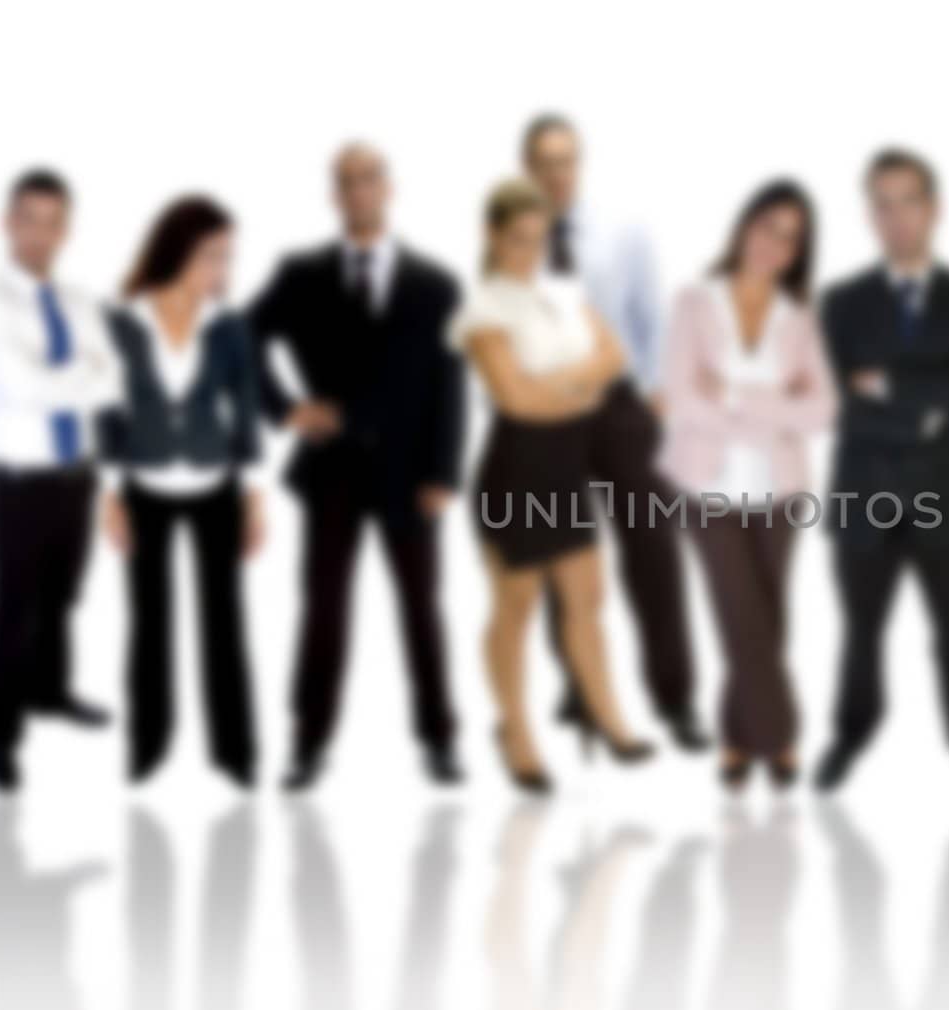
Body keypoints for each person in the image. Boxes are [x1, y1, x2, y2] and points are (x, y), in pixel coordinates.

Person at [249, 143, 468, 790]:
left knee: (422, 609)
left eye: (369, 178)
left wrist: (444, 473)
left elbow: (450, 384)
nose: (358, 191)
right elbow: (239, 339)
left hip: (411, 472)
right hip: (333, 467)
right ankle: (307, 744)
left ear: (389, 187)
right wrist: (286, 407)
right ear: (333, 195)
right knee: (323, 609)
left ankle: (440, 740)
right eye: (345, 182)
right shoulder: (301, 272)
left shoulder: (437, 284)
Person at [813, 148, 949, 793]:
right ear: (871, 215)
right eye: (884, 204)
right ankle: (849, 734)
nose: (897, 217)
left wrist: (889, 385)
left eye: (909, 201)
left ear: (932, 209)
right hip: (864, 494)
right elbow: (834, 396)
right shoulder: (843, 303)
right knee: (861, 630)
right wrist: (936, 390)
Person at [451, 178, 653, 795]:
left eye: (538, 242)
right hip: (517, 471)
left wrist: (556, 384)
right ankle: (515, 731)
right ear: (491, 235)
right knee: (517, 605)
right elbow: (515, 401)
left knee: (588, 597)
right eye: (516, 241)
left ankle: (609, 716)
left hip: (565, 469)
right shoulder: (482, 307)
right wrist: (580, 387)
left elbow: (616, 356)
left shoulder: (566, 292)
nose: (528, 254)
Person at [521, 114, 707, 751]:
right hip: (548, 413)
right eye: (544, 162)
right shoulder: (511, 244)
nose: (557, 174)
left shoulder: (623, 232)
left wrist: (655, 398)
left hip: (622, 409)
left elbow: (652, 316)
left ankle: (676, 698)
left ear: (581, 163)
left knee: (655, 550)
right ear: (528, 170)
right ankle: (579, 690)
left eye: (566, 160)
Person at [658, 180, 836, 789]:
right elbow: (681, 398)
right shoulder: (694, 303)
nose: (774, 245)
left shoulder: (798, 318)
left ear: (797, 252)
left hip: (780, 495)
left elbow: (820, 411)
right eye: (767, 228)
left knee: (766, 617)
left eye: (790, 238)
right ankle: (778, 737)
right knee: (742, 618)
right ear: (744, 228)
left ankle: (737, 739)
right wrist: (774, 407)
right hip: (708, 492)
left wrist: (735, 395)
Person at [0, 168, 120, 791]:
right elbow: (21, 387)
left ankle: (50, 694)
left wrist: (77, 377)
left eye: (51, 222)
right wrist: (81, 375)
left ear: (66, 230)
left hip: (76, 478)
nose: (38, 234)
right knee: (11, 612)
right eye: (27, 218)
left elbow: (112, 380)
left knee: (63, 598)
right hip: (21, 485)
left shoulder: (80, 303)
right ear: (7, 222)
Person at [98, 196, 262, 789]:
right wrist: (110, 494)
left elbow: (245, 412)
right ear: (181, 252)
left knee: (224, 619)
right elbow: (108, 413)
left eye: (228, 258)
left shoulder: (230, 326)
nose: (224, 271)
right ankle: (148, 744)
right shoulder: (122, 322)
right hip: (145, 485)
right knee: (149, 622)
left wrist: (255, 497)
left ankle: (235, 751)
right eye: (214, 257)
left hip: (215, 482)